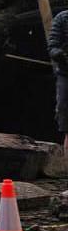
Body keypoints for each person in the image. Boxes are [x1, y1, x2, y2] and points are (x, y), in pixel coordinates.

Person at [50, 9, 68, 151]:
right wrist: (62, 54)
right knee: (64, 111)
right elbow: (53, 47)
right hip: (66, 74)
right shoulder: (62, 18)